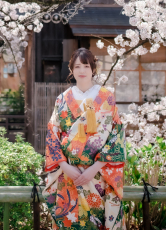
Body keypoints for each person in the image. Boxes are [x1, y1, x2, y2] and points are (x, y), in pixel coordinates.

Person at [44, 48, 125, 230]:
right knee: (69, 220)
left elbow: (116, 136)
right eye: (77, 66)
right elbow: (52, 134)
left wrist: (95, 168)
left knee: (97, 222)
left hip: (97, 175)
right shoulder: (62, 99)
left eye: (86, 66)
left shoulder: (106, 97)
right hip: (69, 174)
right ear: (71, 69)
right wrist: (64, 166)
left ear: (93, 69)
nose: (82, 70)